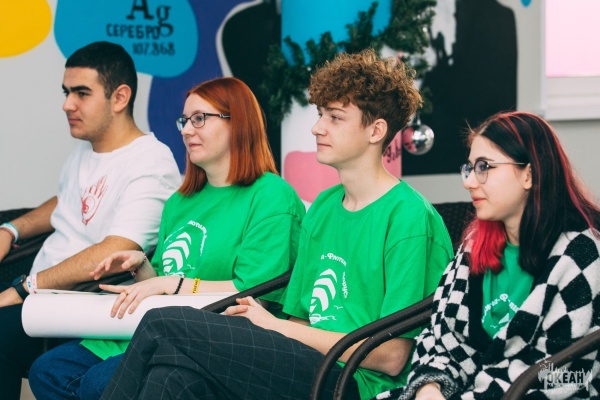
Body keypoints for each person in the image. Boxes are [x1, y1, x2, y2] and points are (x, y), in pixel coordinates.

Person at [100, 48, 454, 400]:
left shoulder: (409, 217)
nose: (317, 127)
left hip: (356, 382)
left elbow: (391, 357)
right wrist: (275, 330)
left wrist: (272, 327)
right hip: (306, 360)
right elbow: (300, 318)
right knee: (173, 375)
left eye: (335, 117)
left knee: (162, 324)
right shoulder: (325, 206)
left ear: (376, 130)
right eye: (320, 114)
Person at [28, 76, 306, 399]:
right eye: (184, 121)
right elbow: (161, 282)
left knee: (98, 383)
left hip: (210, 339)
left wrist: (171, 284)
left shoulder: (272, 196)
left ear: (238, 123)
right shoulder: (180, 201)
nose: (186, 130)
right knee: (48, 371)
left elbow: (255, 296)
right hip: (149, 328)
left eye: (199, 119)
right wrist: (140, 266)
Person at [0, 41, 182, 399]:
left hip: (79, 306)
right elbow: (67, 200)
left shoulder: (151, 163)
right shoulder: (88, 147)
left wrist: (23, 288)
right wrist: (11, 229)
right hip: (42, 292)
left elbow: (116, 249)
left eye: (82, 93)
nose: (67, 104)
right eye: (66, 92)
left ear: (120, 97)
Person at [390, 111, 600, 400]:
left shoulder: (579, 256)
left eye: (484, 167)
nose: (469, 182)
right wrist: (429, 387)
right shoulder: (473, 247)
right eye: (470, 168)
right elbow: (441, 340)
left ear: (528, 174)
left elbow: (561, 375)